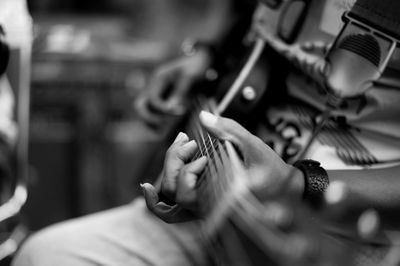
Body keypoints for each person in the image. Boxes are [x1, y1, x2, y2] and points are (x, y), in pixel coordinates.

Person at [12, 0, 400, 265]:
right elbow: (253, 17)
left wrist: (299, 184)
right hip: (231, 204)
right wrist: (208, 57)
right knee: (47, 254)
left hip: (351, 235)